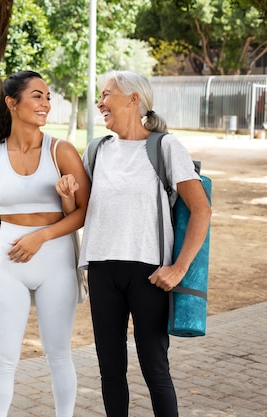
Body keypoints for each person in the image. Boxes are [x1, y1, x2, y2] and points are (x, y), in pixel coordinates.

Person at [74, 70, 212, 417]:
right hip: (102, 269)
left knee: (154, 368)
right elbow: (83, 209)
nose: (100, 102)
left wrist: (178, 269)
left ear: (133, 99)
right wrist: (66, 194)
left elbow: (201, 210)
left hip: (150, 273)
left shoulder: (166, 147)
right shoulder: (97, 149)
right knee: (110, 371)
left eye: (106, 95)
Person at [0, 70, 89, 417]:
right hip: (8, 265)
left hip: (56, 261)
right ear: (12, 102)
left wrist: (42, 236)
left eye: (48, 97)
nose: (46, 103)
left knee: (58, 354)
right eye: (37, 96)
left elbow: (85, 210)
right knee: (3, 358)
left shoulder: (61, 150)